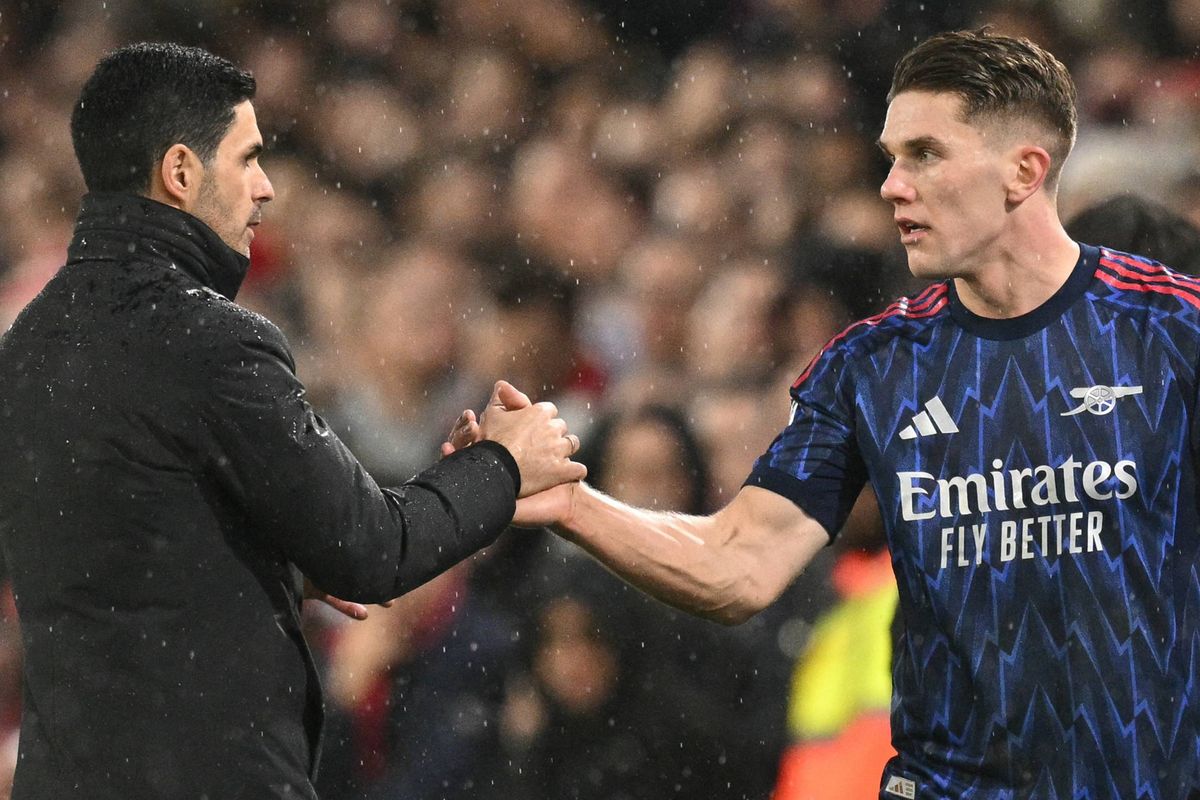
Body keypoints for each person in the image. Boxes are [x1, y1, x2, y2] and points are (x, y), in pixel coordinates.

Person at [467, 29, 1200, 798]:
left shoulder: (1175, 331)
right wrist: (573, 504)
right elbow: (739, 562)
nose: (892, 185)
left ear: (1024, 170)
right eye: (890, 156)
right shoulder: (872, 367)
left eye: (925, 153)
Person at [0, 43, 585, 800]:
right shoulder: (211, 340)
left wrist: (258, 564)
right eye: (246, 159)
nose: (266, 187)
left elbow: (105, 539)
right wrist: (504, 465)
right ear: (180, 172)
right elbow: (371, 551)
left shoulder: (25, 344)